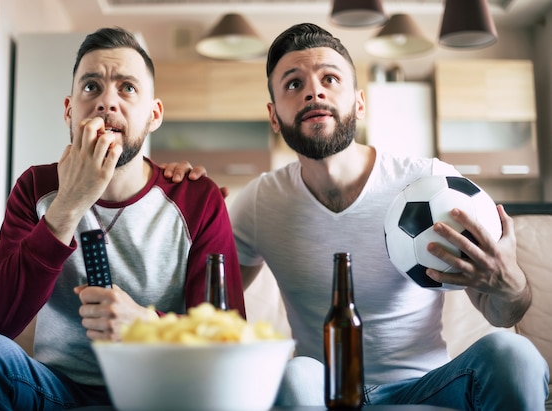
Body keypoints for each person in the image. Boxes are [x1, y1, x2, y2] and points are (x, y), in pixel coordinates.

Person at [224, 23, 549, 410]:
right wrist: (173, 186)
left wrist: (510, 285)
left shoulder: (431, 182)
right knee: (295, 374)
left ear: (359, 103)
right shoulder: (261, 201)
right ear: (274, 116)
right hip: (322, 391)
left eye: (330, 77)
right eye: (294, 84)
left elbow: (505, 313)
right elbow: (210, 303)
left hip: (425, 385)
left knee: (513, 353)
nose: (314, 91)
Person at [0, 27, 245, 410]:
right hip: (55, 392)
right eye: (91, 88)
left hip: (157, 395)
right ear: (70, 110)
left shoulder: (197, 197)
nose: (107, 103)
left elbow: (229, 344)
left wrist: (149, 326)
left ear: (154, 115)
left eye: (127, 88)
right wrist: (67, 206)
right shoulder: (37, 187)